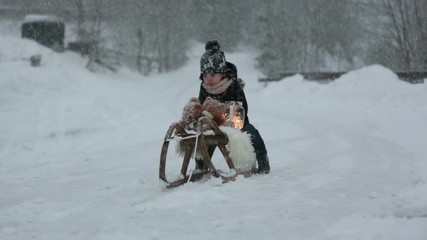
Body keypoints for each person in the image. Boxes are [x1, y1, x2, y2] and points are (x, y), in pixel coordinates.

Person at [196, 40, 270, 174]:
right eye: (205, 75)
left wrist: (223, 113)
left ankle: (263, 161)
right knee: (200, 139)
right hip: (211, 124)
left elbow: (241, 109)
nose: (209, 79)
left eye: (213, 75)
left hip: (237, 122)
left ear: (223, 73)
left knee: (253, 134)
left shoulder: (232, 86)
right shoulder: (205, 88)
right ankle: (200, 165)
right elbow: (202, 107)